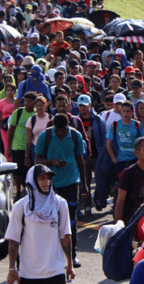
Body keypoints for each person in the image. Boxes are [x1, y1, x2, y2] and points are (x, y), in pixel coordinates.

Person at [34, 113, 88, 267]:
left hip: (72, 181)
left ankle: (72, 255)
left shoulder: (76, 136)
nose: (60, 133)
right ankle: (52, 256)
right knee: (52, 220)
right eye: (58, 130)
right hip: (51, 184)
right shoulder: (46, 136)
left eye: (63, 130)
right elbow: (36, 160)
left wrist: (84, 184)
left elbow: (80, 159)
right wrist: (51, 162)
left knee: (70, 220)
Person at [5, 165, 74, 284]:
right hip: (29, 274)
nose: (47, 182)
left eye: (48, 178)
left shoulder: (60, 204)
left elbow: (66, 236)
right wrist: (12, 269)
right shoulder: (20, 207)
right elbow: (13, 240)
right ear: (32, 181)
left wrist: (70, 264)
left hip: (55, 272)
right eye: (42, 178)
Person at [8, 91, 37, 198]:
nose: (27, 103)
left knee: (29, 171)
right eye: (25, 101)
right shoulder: (18, 112)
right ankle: (18, 192)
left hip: (31, 147)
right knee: (17, 172)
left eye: (29, 101)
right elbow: (11, 130)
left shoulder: (36, 113)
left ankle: (28, 191)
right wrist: (8, 147)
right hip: (17, 146)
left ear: (34, 102)